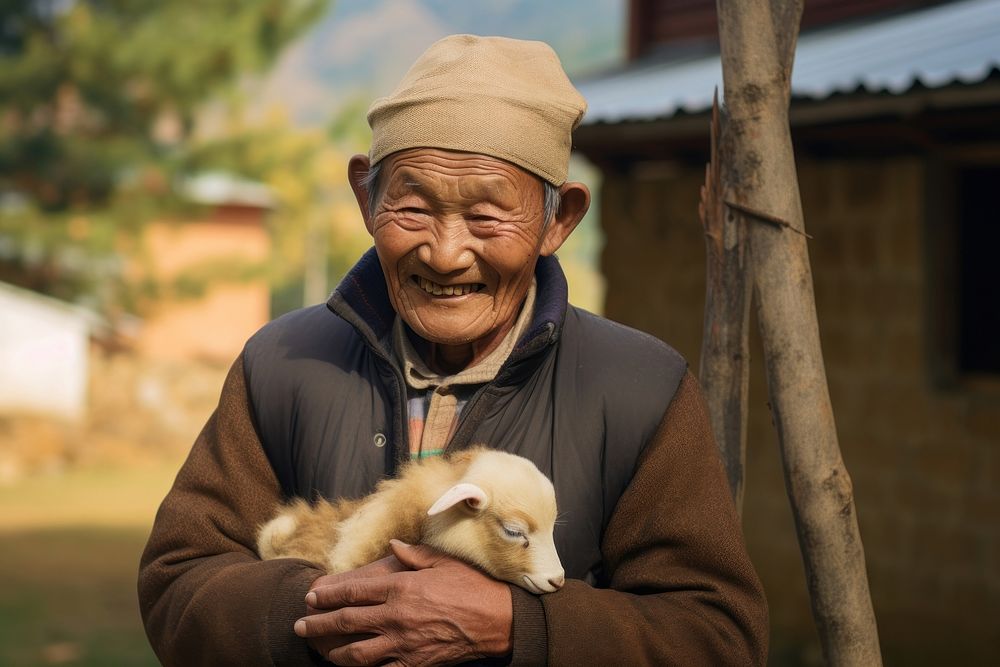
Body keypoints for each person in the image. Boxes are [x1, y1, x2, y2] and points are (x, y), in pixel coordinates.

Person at [138, 34, 768, 666]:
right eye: (412, 207)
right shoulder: (283, 364)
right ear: (366, 197)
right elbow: (179, 580)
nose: (445, 253)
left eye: (488, 218)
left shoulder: (640, 391)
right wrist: (327, 608)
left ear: (559, 220)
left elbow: (718, 638)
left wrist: (521, 626)